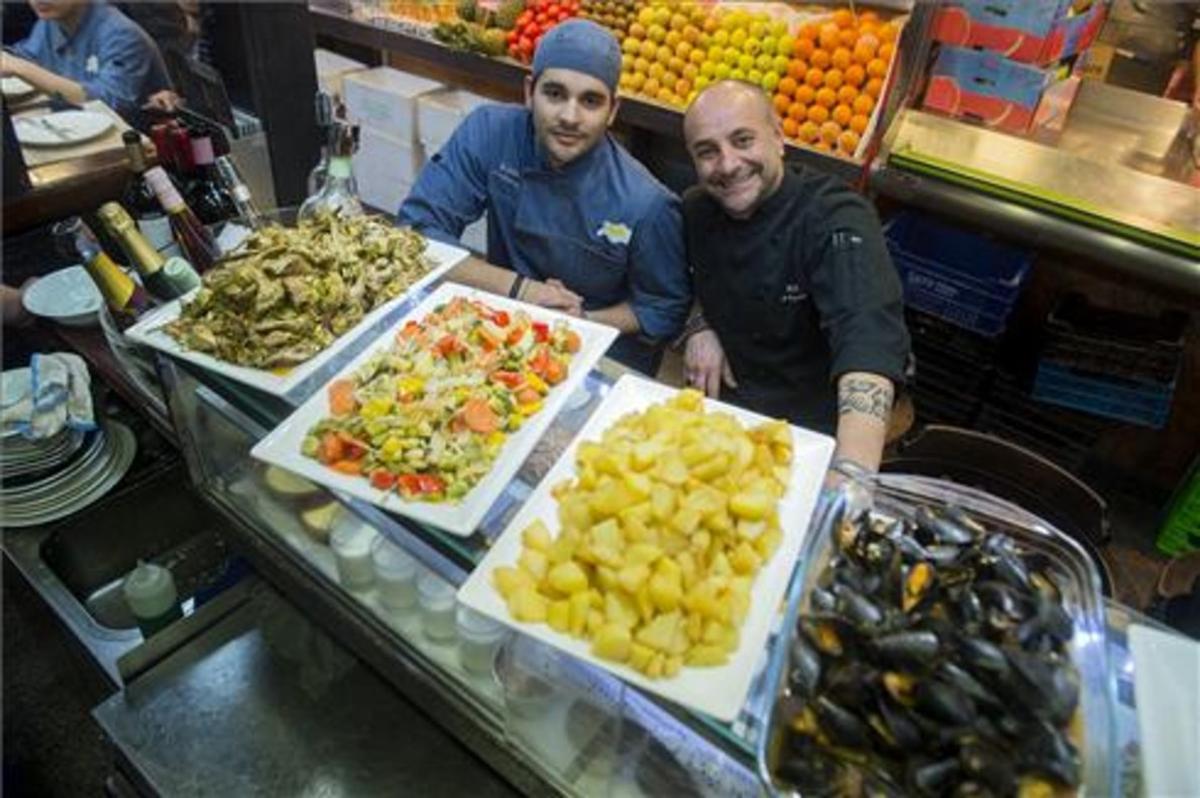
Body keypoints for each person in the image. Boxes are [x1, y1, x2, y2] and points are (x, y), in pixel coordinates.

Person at [398, 19, 690, 374]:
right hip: (502, 326)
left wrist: (578, 321)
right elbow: (416, 233)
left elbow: (662, 307)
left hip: (597, 354)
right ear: (528, 92)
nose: (570, 116)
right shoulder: (491, 134)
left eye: (591, 101)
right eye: (554, 94)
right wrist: (523, 291)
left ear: (613, 110)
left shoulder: (645, 202)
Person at [679, 80, 910, 478]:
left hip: (813, 433)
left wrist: (851, 476)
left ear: (779, 138)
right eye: (708, 152)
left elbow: (866, 337)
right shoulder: (696, 210)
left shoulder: (835, 216)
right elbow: (680, 279)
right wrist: (699, 324)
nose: (728, 164)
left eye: (743, 140)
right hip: (729, 414)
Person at [2, 0, 171, 122]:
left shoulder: (121, 34)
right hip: (71, 123)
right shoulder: (50, 22)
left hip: (136, 144)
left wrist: (22, 69)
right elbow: (24, 56)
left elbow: (108, 104)